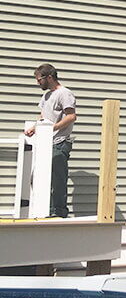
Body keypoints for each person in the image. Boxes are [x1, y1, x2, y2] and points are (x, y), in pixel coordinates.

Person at [24, 64, 76, 218]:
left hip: (60, 142)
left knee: (57, 178)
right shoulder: (46, 96)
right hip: (46, 143)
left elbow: (71, 116)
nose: (37, 82)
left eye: (39, 79)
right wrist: (35, 127)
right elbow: (43, 118)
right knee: (37, 177)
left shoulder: (65, 94)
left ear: (49, 77)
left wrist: (52, 128)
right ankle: (44, 209)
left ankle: (58, 212)